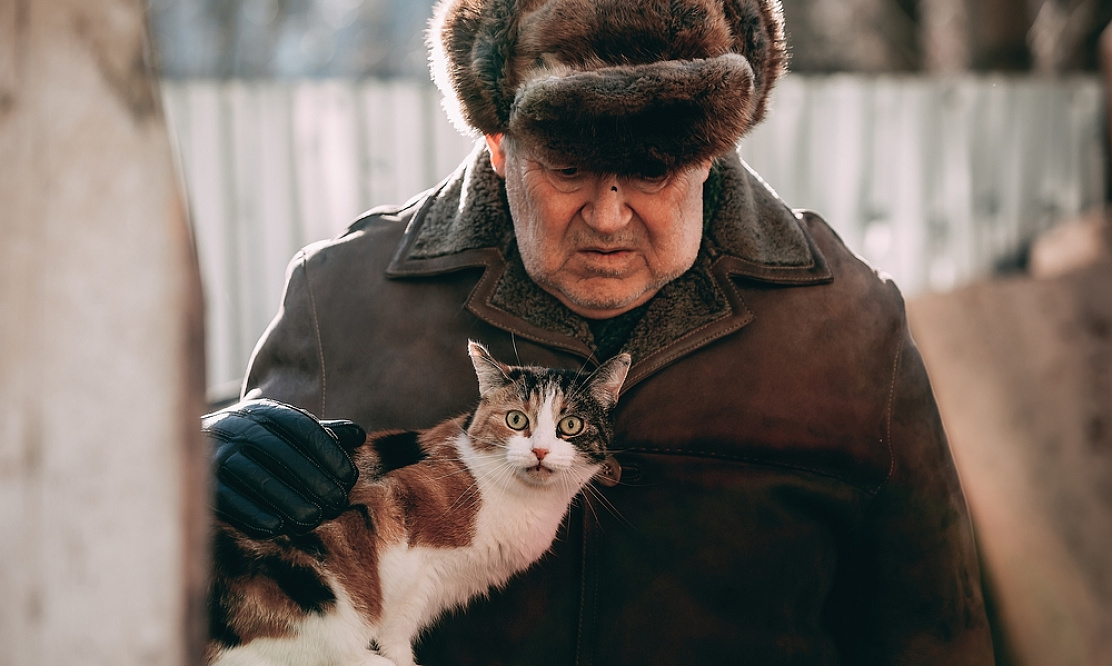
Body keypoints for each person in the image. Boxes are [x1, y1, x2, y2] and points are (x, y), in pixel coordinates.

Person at [202, 0, 996, 663]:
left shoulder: (846, 325)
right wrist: (198, 478)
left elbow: (934, 637)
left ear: (714, 152)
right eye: (570, 168)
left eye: (652, 170)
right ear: (498, 143)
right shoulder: (342, 299)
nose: (610, 216)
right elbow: (218, 612)